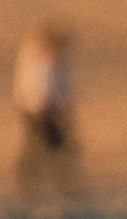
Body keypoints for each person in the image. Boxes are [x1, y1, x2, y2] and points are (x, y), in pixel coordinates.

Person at [13, 22, 79, 198]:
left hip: (49, 110)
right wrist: (41, 108)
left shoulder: (55, 61)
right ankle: (32, 183)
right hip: (37, 110)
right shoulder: (35, 59)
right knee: (39, 145)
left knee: (55, 146)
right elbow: (36, 87)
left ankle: (60, 182)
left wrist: (63, 107)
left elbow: (62, 86)